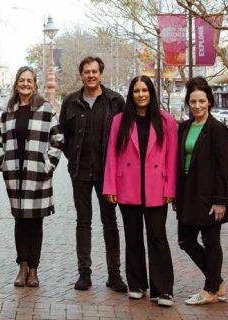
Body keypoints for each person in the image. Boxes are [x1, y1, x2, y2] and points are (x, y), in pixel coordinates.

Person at [103, 75, 177, 306]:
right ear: (131, 94)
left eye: (145, 90)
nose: (141, 95)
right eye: (136, 91)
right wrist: (110, 186)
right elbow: (112, 156)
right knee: (132, 237)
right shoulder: (119, 121)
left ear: (151, 93)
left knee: (158, 237)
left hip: (157, 186)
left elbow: (171, 158)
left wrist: (170, 188)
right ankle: (136, 284)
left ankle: (162, 288)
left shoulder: (166, 121)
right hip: (128, 187)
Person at [59, 56, 126, 291]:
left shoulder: (115, 101)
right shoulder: (70, 102)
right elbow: (63, 136)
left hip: (107, 174)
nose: (91, 75)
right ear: (81, 74)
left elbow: (125, 136)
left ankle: (114, 274)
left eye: (94, 71)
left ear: (101, 73)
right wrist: (72, 160)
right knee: (83, 222)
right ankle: (84, 274)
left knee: (110, 222)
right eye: (86, 71)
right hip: (80, 173)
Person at [0, 66, 63, 288]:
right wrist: (3, 162)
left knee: (35, 223)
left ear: (35, 84)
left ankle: (34, 269)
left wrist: (48, 166)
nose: (25, 84)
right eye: (22, 80)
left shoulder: (45, 109)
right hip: (15, 175)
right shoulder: (8, 111)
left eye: (29, 81)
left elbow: (58, 140)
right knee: (20, 222)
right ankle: (21, 267)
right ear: (16, 84)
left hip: (38, 175)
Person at [175, 77, 228, 305]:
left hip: (209, 195)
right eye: (193, 101)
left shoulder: (218, 129)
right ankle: (217, 282)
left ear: (209, 102)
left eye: (201, 101)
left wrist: (220, 200)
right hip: (187, 193)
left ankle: (210, 290)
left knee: (211, 241)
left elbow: (223, 168)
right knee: (185, 241)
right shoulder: (185, 127)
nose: (197, 106)